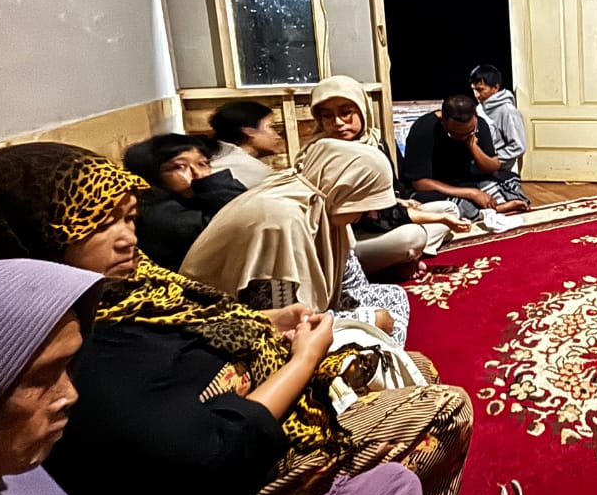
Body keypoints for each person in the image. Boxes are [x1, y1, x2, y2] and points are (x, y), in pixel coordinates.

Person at [0, 143, 472, 495]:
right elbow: (211, 453)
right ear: (37, 235)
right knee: (443, 406)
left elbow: (229, 314)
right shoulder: (73, 337)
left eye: (130, 218)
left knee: (413, 363)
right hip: (240, 467)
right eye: (98, 223)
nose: (126, 239)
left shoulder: (134, 291)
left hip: (251, 392)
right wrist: (303, 357)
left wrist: (269, 324)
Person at [0, 256, 439, 495]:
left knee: (393, 492)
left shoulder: (16, 476)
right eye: (42, 377)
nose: (70, 394)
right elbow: (206, 450)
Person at [184, 138, 415, 343]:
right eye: (365, 200)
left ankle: (386, 358)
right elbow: (283, 321)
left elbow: (352, 283)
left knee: (392, 297)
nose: (367, 213)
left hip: (296, 311)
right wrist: (368, 319)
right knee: (371, 327)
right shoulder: (281, 221)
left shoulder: (322, 203)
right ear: (345, 188)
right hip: (234, 328)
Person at [309, 76, 469, 275]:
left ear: (362, 110)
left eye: (346, 113)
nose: (338, 122)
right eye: (327, 116)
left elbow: (391, 190)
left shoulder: (374, 141)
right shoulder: (323, 154)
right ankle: (397, 263)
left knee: (450, 208)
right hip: (350, 242)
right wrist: (440, 219)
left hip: (385, 221)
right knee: (414, 235)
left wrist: (401, 201)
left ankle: (404, 259)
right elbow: (375, 217)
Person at [123, 133, 247, 271]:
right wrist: (212, 184)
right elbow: (240, 222)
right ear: (151, 174)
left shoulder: (189, 199)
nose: (198, 174)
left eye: (203, 163)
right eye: (179, 166)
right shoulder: (158, 213)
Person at [400, 94, 530, 219]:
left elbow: (493, 167)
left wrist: (472, 146)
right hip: (438, 187)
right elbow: (420, 183)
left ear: (475, 116)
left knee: (510, 180)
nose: (463, 137)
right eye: (456, 134)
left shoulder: (479, 125)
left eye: (469, 132)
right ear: (443, 121)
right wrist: (471, 193)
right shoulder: (423, 129)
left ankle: (486, 208)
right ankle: (493, 209)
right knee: (435, 203)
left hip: (465, 180)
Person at [208, 100, 285, 189]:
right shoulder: (252, 169)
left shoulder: (219, 159)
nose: (277, 136)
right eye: (271, 127)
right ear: (249, 131)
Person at [470, 64, 527, 175]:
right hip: (477, 162)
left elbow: (518, 146)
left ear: (495, 88)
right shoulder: (480, 108)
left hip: (497, 169)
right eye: (474, 90)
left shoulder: (508, 111)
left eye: (480, 90)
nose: (476, 94)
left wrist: (493, 160)